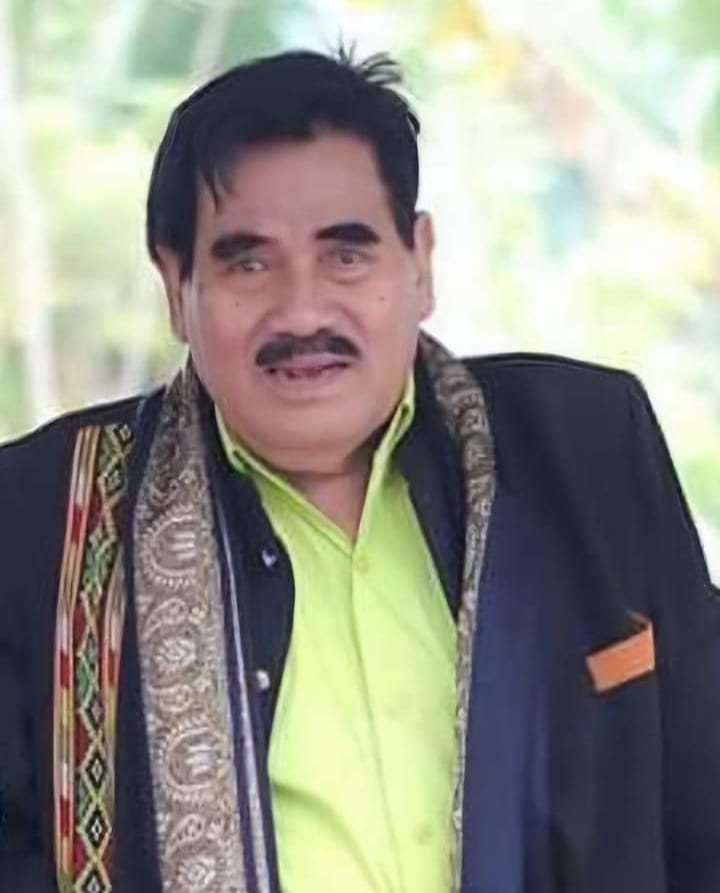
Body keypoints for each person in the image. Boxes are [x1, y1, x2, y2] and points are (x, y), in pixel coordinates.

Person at [0, 47, 718, 893]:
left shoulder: (585, 450)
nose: (302, 309)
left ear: (420, 261)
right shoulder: (46, 521)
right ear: (175, 282)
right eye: (248, 262)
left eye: (347, 254)